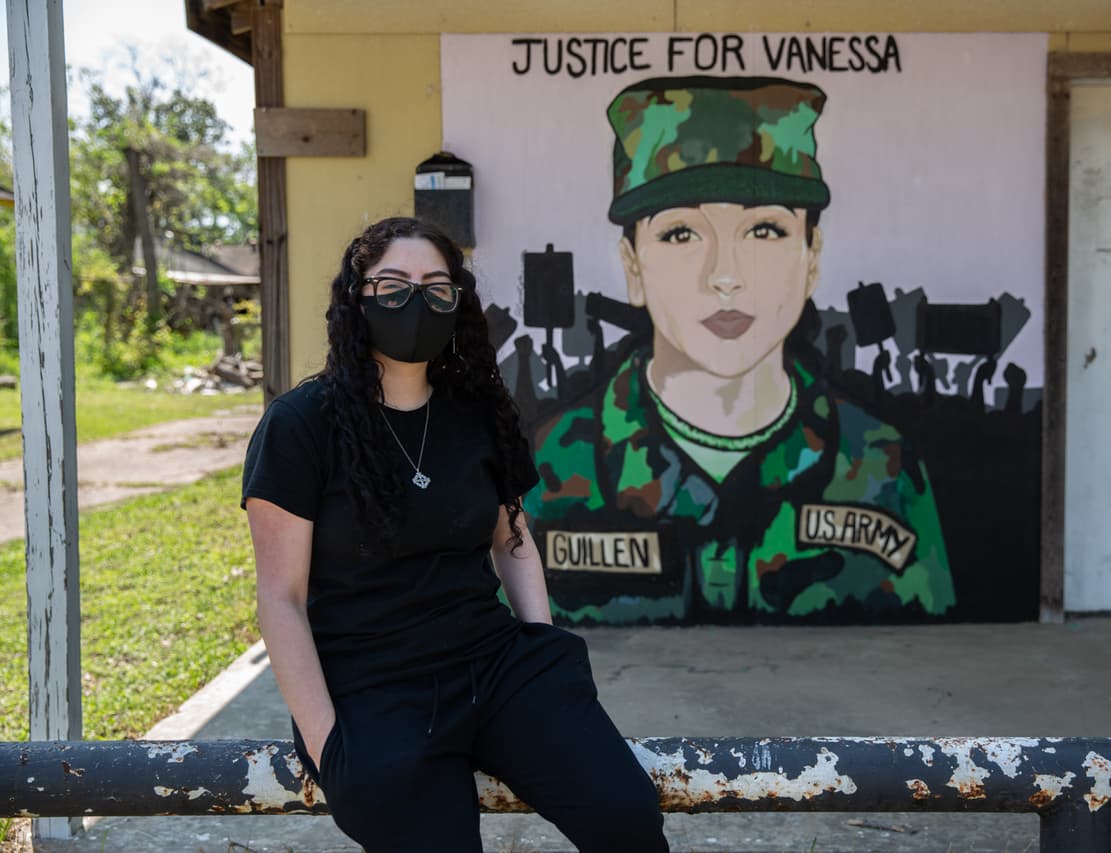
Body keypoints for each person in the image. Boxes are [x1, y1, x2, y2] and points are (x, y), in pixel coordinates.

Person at [241, 217, 667, 852]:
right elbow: (281, 598)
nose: (416, 300)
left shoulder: (478, 410)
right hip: (373, 687)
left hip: (492, 666)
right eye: (393, 285)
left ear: (458, 303)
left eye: (437, 286)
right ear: (356, 298)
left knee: (626, 818)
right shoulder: (300, 425)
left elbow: (512, 540)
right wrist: (328, 743)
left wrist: (542, 651)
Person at [524, 76, 957, 623]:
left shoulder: (881, 464)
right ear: (633, 268)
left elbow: (932, 660)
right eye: (682, 234)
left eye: (765, 231)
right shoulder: (549, 466)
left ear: (812, 258)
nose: (725, 276)